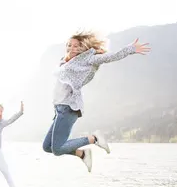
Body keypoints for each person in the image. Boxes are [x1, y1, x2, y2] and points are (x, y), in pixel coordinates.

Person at [42, 31, 151, 172]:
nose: (72, 48)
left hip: (68, 109)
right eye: (69, 45)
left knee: (57, 149)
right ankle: (82, 154)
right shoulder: (64, 60)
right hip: (59, 110)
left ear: (82, 48)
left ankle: (94, 138)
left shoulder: (87, 59)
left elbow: (110, 57)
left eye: (76, 46)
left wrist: (130, 49)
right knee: (47, 147)